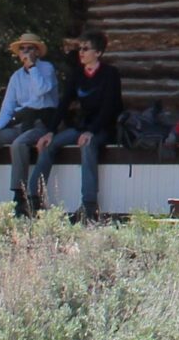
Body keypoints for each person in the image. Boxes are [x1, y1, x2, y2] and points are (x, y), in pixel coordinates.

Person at [32, 28, 125, 222]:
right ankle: (32, 199)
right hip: (82, 127)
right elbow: (64, 103)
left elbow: (110, 108)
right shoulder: (77, 74)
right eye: (79, 48)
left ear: (98, 53)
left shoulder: (110, 74)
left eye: (86, 48)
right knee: (49, 145)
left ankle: (89, 206)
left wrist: (92, 131)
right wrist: (50, 131)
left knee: (87, 145)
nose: (81, 52)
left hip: (103, 128)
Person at [0, 33, 62, 213]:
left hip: (41, 123)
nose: (25, 52)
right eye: (22, 49)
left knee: (18, 144)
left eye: (30, 48)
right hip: (21, 123)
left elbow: (42, 89)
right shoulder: (16, 77)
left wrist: (32, 67)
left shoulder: (46, 68)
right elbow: (8, 108)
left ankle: (20, 197)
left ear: (37, 52)